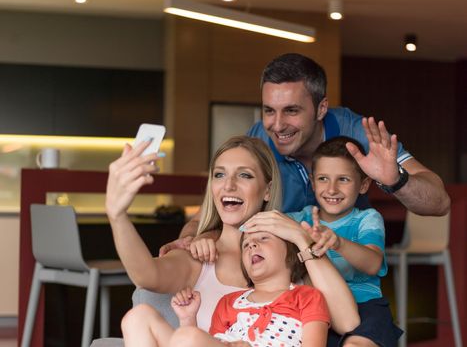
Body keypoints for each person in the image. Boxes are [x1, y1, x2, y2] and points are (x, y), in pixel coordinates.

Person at [160, 53, 450, 259]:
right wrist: (189, 238)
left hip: (345, 274)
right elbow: (205, 215)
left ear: (321, 109)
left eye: (292, 111)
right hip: (278, 275)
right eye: (269, 111)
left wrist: (396, 180)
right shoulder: (257, 138)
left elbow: (439, 202)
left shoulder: (357, 133)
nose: (277, 125)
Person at [105, 135, 359, 337]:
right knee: (138, 317)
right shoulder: (200, 254)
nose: (228, 185)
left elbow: (346, 321)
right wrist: (117, 216)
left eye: (244, 175)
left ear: (267, 190)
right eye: (219, 175)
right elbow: (145, 275)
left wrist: (302, 240)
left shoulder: (287, 253)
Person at [243, 136, 403, 347]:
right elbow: (250, 226)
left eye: (343, 179)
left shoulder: (367, 219)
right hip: (314, 308)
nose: (331, 189)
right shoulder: (300, 219)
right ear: (312, 181)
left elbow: (373, 263)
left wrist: (339, 243)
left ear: (363, 185)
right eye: (323, 179)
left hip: (365, 305)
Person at [121, 231, 330, 347]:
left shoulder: (306, 296)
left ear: (290, 252)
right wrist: (187, 319)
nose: (252, 246)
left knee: (188, 338)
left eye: (263, 239)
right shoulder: (230, 301)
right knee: (138, 317)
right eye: (246, 244)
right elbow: (211, 343)